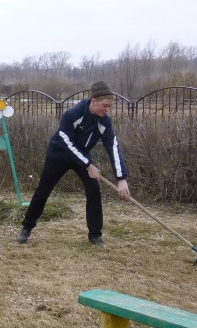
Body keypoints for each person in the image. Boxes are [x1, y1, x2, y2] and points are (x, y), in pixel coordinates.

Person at [17, 80, 131, 247]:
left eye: (110, 107)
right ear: (94, 101)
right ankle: (27, 227)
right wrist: (89, 165)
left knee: (93, 191)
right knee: (43, 190)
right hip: (59, 154)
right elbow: (68, 144)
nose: (107, 110)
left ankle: (95, 235)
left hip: (82, 158)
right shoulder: (72, 114)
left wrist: (121, 178)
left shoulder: (104, 122)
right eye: (105, 106)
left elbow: (113, 147)